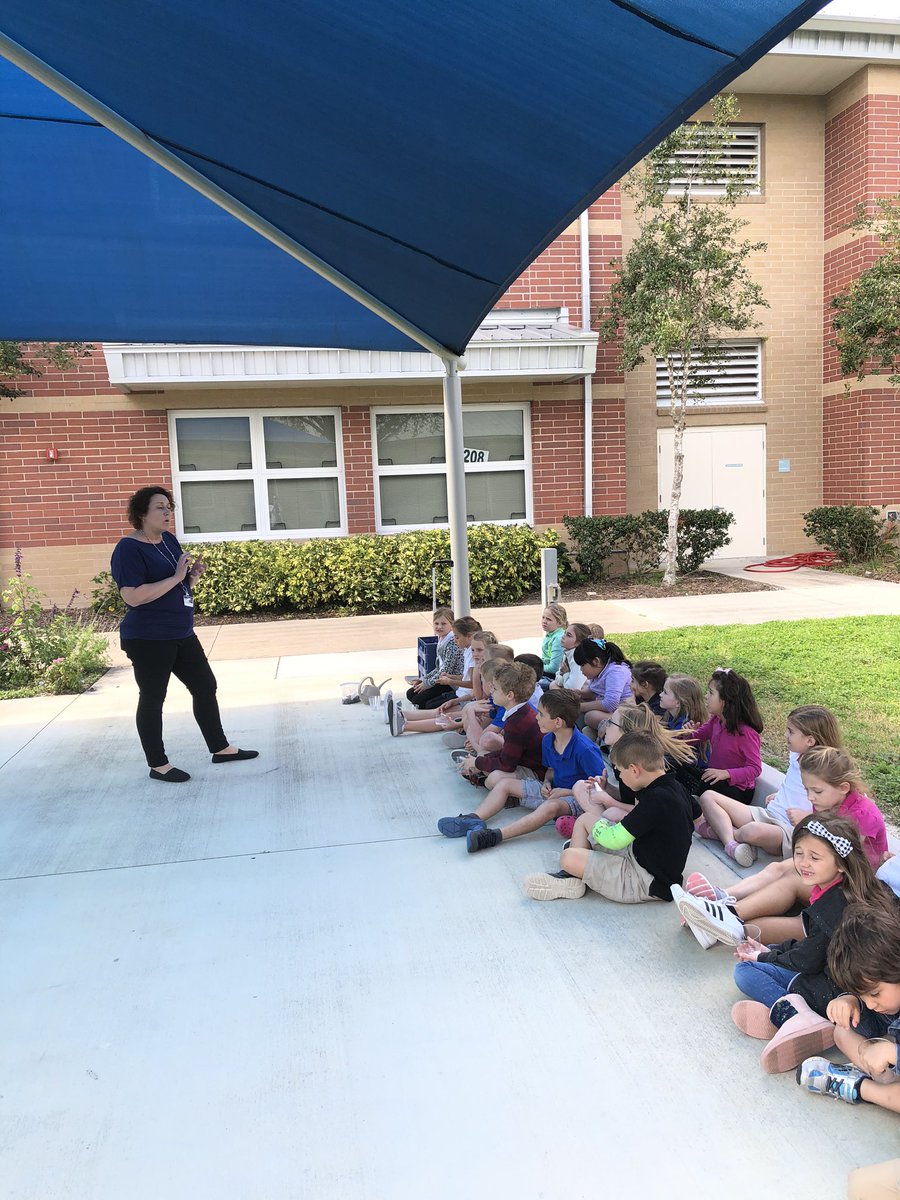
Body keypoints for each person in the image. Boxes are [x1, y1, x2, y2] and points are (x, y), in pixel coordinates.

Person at [723, 814, 895, 1073]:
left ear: (840, 863)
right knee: (761, 957)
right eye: (799, 853)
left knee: (745, 971)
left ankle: (796, 1017)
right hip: (849, 992)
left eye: (814, 858)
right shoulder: (849, 889)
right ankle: (793, 1020)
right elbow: (811, 947)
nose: (803, 863)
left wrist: (766, 957)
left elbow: (809, 958)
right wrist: (774, 952)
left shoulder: (836, 904)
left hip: (834, 993)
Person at [110, 486, 257, 783]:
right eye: (160, 508)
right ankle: (158, 765)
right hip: (148, 638)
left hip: (180, 631)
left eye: (169, 507)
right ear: (141, 514)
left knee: (205, 686)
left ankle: (220, 748)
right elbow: (132, 597)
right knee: (153, 697)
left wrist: (191, 578)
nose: (167, 513)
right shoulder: (128, 548)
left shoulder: (168, 540)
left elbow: (178, 587)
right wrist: (176, 577)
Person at [683, 745, 890, 947]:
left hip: (850, 892)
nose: (810, 797)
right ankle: (722, 900)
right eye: (807, 789)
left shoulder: (862, 815)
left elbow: (848, 865)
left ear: (843, 787)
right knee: (779, 868)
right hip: (831, 879)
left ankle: (724, 916)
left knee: (764, 914)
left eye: (816, 791)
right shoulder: (830, 801)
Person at [522, 730, 695, 903]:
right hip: (641, 856)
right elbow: (696, 815)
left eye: (620, 771)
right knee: (585, 819)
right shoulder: (676, 788)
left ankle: (572, 879)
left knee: (568, 857)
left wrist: (600, 828)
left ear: (634, 770)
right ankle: (578, 864)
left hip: (643, 881)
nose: (619, 776)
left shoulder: (655, 800)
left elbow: (614, 840)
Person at [436, 688, 606, 851]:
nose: (536, 717)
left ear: (558, 722)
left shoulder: (585, 749)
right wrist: (546, 782)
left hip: (576, 799)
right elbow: (550, 770)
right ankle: (474, 818)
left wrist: (565, 792)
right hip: (552, 791)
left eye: (541, 714)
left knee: (550, 807)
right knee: (504, 785)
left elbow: (599, 789)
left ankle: (495, 836)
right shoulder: (548, 740)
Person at [696, 705, 842, 867]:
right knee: (708, 797)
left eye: (791, 732)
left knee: (751, 831)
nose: (785, 735)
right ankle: (732, 845)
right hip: (768, 813)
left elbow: (840, 810)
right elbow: (795, 785)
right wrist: (780, 794)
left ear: (810, 740)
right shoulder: (796, 754)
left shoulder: (829, 770)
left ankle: (718, 831)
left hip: (789, 829)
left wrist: (808, 817)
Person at [798, 903, 900, 1128]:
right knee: (842, 1032)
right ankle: (873, 1071)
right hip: (888, 1043)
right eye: (864, 996)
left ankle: (861, 1088)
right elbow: (869, 1011)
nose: (871, 1004)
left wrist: (893, 1052)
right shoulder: (883, 999)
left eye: (875, 993)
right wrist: (850, 1001)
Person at [455, 661, 544, 788]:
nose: (491, 691)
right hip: (522, 760)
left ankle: (515, 791)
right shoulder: (520, 710)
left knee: (493, 779)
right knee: (483, 756)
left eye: (495, 688)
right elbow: (506, 753)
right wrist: (480, 761)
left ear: (510, 695)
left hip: (535, 771)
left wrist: (477, 763)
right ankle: (480, 772)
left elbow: (507, 764)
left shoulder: (517, 722)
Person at [389, 618, 483, 735]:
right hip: (463, 696)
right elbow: (466, 678)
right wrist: (451, 678)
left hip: (467, 699)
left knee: (442, 715)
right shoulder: (468, 652)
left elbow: (473, 686)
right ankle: (401, 715)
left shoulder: (475, 659)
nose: (454, 640)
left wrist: (450, 680)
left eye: (457, 637)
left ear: (469, 636)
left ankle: (404, 725)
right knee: (438, 711)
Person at [689, 667, 763, 806]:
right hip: (714, 779)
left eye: (711, 693)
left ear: (725, 700)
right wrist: (687, 733)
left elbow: (755, 769)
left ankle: (694, 806)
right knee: (681, 767)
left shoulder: (746, 733)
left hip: (736, 790)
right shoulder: (716, 720)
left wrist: (726, 774)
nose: (706, 696)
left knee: (710, 785)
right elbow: (696, 737)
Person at [404, 613, 477, 710]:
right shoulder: (443, 640)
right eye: (436, 623)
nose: (439, 627)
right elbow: (440, 668)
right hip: (448, 681)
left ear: (451, 625)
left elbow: (448, 670)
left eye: (443, 624)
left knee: (422, 702)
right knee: (412, 694)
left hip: (451, 686)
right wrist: (424, 679)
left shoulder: (455, 645)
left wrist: (428, 683)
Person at [573, 638, 633, 734]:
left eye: (582, 665)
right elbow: (596, 692)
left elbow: (611, 703)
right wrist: (580, 694)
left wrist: (580, 707)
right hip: (613, 711)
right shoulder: (599, 670)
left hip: (625, 715)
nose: (581, 670)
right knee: (578, 702)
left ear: (596, 661)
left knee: (590, 716)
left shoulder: (615, 672)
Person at [549, 622, 604, 692]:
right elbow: (558, 676)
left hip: (584, 693)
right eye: (565, 633)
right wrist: (564, 676)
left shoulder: (578, 658)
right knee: (553, 685)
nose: (563, 636)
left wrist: (565, 674)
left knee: (552, 686)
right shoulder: (567, 652)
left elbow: (573, 688)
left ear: (578, 643)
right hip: (569, 687)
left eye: (569, 635)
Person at [539, 603, 568, 679]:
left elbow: (554, 668)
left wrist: (536, 668)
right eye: (543, 617)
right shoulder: (550, 634)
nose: (544, 621)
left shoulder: (558, 638)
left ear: (559, 623)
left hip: (553, 676)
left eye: (548, 619)